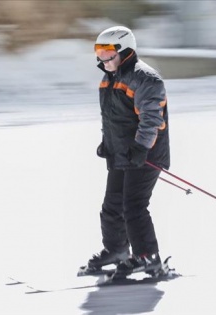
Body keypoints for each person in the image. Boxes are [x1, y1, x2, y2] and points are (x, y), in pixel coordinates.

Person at [85, 26, 170, 277]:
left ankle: (147, 256)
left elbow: (151, 119)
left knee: (133, 206)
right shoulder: (108, 79)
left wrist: (141, 147)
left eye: (107, 52)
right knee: (112, 206)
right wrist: (107, 143)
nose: (102, 58)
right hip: (121, 154)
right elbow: (111, 119)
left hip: (146, 154)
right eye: (99, 52)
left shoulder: (146, 78)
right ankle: (117, 250)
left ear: (124, 50)